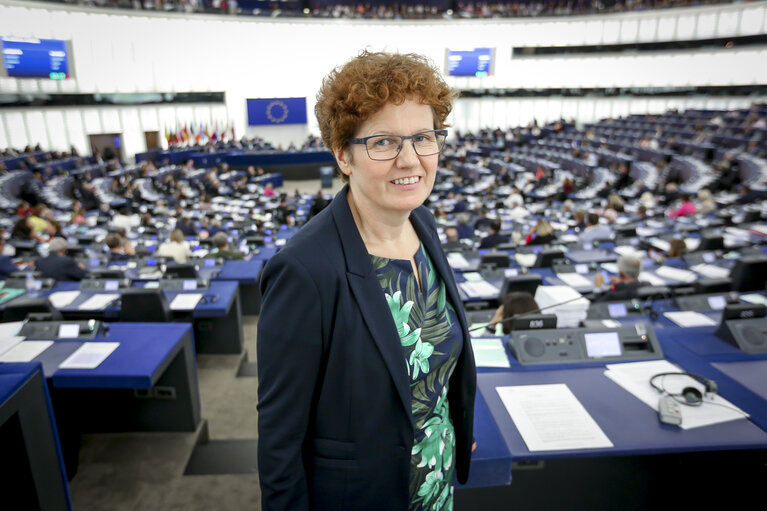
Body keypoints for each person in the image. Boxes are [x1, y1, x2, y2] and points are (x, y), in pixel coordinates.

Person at [257, 51, 476, 511]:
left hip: (434, 486)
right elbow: (279, 444)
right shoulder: (303, 271)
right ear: (343, 155)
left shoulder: (425, 225)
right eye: (383, 143)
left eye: (423, 137)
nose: (411, 160)